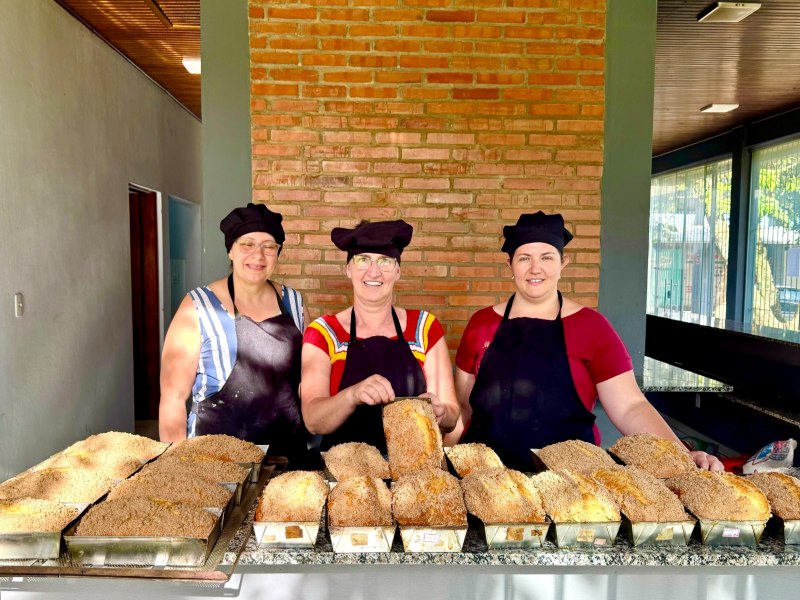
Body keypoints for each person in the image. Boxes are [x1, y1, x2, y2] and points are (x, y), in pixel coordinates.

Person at [451, 211, 724, 472]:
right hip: (486, 479)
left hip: (570, 483)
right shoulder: (481, 324)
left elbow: (631, 406)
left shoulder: (592, 327)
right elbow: (463, 408)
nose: (535, 268)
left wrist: (682, 455)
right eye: (524, 258)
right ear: (509, 265)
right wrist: (438, 465)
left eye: (547, 257)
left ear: (563, 263)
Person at [159, 202, 312, 464]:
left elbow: (308, 380)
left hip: (286, 455)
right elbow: (173, 398)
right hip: (216, 460)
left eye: (269, 246)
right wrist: (176, 467)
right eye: (247, 244)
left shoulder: (294, 303)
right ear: (230, 250)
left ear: (278, 253)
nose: (258, 255)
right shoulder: (198, 306)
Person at [300, 220, 459, 452]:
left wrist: (442, 412)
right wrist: (352, 395)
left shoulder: (424, 328)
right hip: (347, 476)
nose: (373, 271)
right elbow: (313, 421)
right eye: (363, 259)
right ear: (348, 269)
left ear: (398, 271)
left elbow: (452, 415)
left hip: (413, 474)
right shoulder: (324, 332)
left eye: (385, 261)